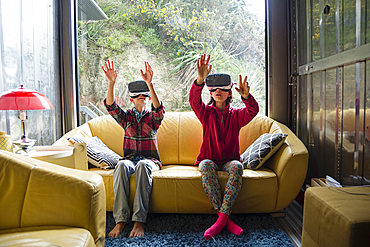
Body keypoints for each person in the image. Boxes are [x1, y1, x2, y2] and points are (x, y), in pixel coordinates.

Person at [189, 54, 259, 239]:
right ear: (210, 93)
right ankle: (225, 220)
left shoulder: (237, 115)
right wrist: (200, 80)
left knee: (237, 166)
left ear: (230, 93)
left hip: (229, 160)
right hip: (208, 159)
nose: (218, 91)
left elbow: (253, 110)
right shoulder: (205, 113)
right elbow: (194, 101)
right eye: (214, 88)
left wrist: (246, 96)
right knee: (206, 166)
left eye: (223, 88)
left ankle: (220, 219)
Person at [102, 60, 165, 238]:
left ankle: (139, 221)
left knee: (143, 166)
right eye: (138, 95)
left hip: (150, 161)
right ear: (131, 98)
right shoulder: (126, 117)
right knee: (121, 166)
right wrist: (111, 82)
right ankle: (121, 220)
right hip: (129, 159)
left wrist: (150, 84)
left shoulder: (152, 118)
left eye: (144, 95)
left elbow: (159, 110)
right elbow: (111, 107)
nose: (142, 97)